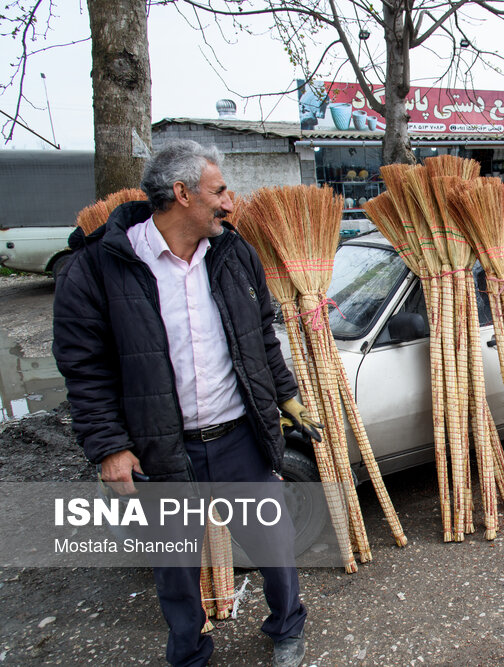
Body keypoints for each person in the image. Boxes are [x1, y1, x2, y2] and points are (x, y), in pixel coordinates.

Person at [53, 140, 317, 667]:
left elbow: (260, 336)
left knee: (275, 547)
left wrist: (285, 395)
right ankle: (190, 652)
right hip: (160, 450)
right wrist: (109, 447)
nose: (230, 202)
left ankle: (287, 627)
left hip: (239, 438)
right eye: (220, 191)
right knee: (173, 567)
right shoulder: (97, 269)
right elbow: (85, 369)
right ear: (181, 194)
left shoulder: (234, 253)